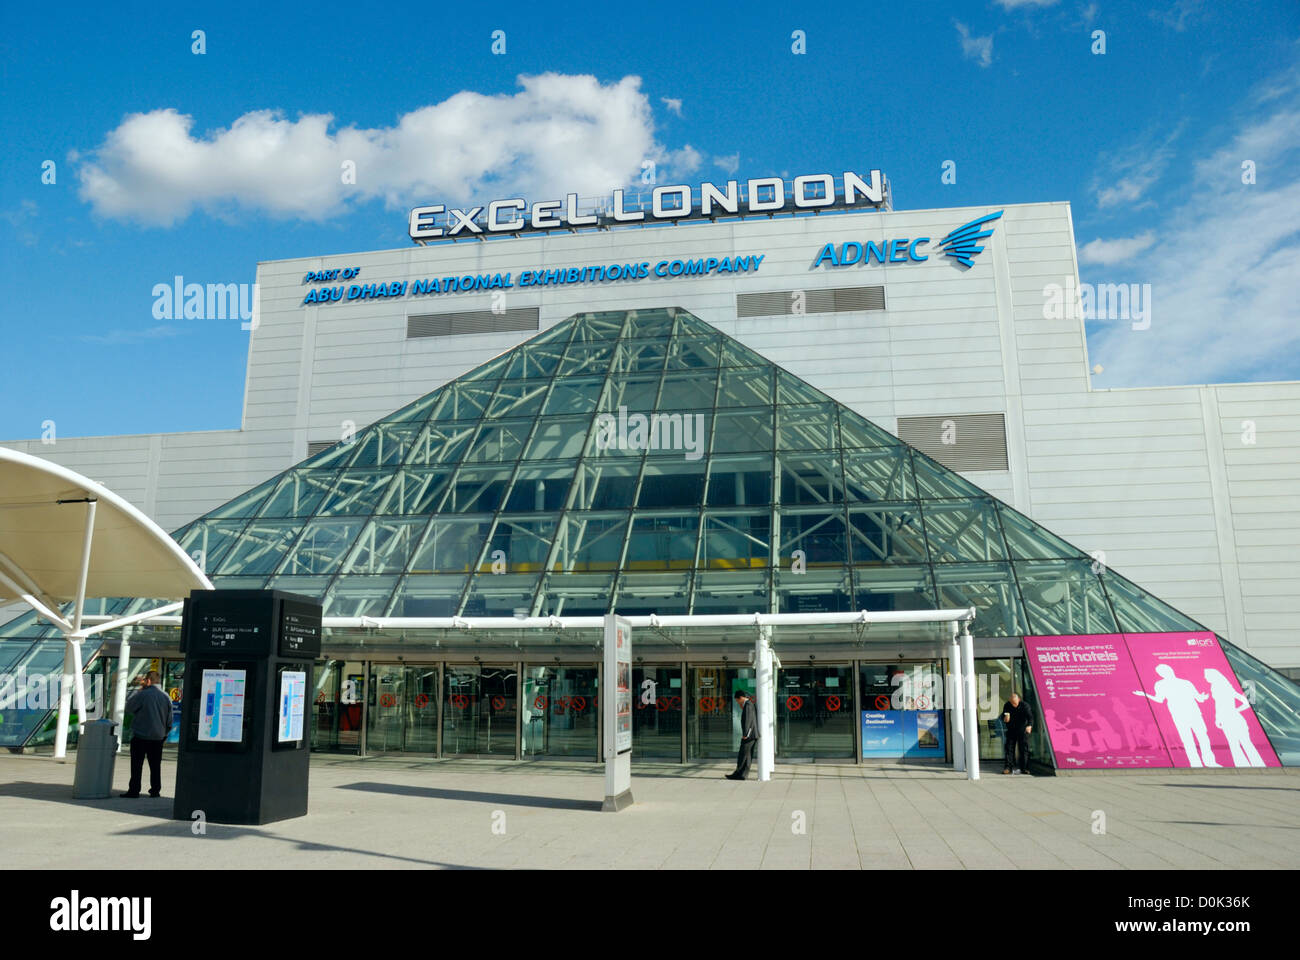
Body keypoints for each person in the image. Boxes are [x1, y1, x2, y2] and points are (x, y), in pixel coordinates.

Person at [1133, 664, 1219, 767]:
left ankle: (1210, 762)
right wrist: (1145, 694)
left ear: (1170, 670)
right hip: (1179, 715)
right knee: (1188, 740)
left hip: (1194, 713)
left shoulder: (1185, 682)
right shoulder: (1160, 684)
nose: (1163, 673)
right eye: (1161, 672)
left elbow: (1198, 698)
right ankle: (1196, 763)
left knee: (1202, 737)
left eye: (1164, 671)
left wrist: (1203, 697)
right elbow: (1160, 699)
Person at [121, 670, 173, 798]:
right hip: (158, 737)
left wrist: (138, 691)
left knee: (137, 765)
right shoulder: (166, 696)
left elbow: (128, 708)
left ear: (148, 681)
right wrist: (164, 734)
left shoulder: (143, 694)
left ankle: (134, 790)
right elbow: (169, 720)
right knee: (155, 766)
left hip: (141, 735)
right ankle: (155, 790)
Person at [724, 690, 759, 780]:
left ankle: (738, 773)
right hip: (752, 734)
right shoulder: (749, 704)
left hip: (749, 735)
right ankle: (743, 775)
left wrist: (745, 734)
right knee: (747, 755)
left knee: (742, 755)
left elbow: (748, 720)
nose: (737, 702)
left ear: (741, 698)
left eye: (737, 700)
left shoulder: (748, 705)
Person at [1001, 692, 1033, 774]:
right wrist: (1005, 719)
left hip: (1022, 729)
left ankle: (1025, 768)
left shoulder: (1025, 706)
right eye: (1011, 702)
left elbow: (1030, 717)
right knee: (1009, 748)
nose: (1013, 704)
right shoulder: (1007, 705)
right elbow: (1003, 717)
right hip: (1011, 729)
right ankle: (1008, 767)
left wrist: (1029, 726)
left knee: (1024, 748)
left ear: (1018, 699)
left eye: (1014, 702)